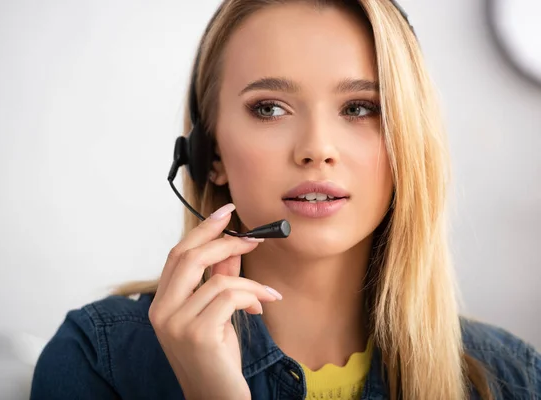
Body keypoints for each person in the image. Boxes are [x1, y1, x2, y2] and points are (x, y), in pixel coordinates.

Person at [30, 1, 540, 399]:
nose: (316, 148)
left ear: (408, 140)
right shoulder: (100, 360)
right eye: (269, 108)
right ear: (211, 152)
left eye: (360, 107)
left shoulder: (512, 378)